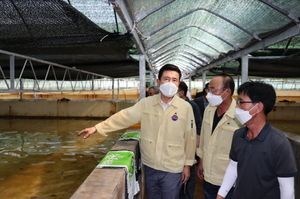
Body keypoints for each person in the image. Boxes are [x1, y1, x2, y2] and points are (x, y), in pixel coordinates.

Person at [78, 64, 196, 199]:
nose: (170, 83)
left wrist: (187, 165)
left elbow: (190, 137)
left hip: (173, 167)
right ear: (158, 82)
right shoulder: (146, 103)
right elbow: (124, 116)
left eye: (174, 80)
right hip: (151, 165)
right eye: (166, 79)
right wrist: (97, 128)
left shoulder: (185, 107)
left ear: (178, 83)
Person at [216, 81, 297, 199]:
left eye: (241, 102)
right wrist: (221, 194)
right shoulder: (238, 135)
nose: (236, 107)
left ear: (258, 107)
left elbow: (287, 189)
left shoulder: (279, 143)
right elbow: (233, 167)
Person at [196, 73, 242, 199]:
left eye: (213, 90)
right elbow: (204, 139)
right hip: (208, 175)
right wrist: (201, 161)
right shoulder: (209, 110)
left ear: (227, 92)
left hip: (229, 179)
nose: (208, 94)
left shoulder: (239, 115)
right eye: (208, 89)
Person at [177, 81, 201, 199]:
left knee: (189, 174)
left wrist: (195, 147)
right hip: (177, 147)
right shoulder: (175, 105)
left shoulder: (192, 106)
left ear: (181, 92)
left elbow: (198, 127)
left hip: (189, 146)